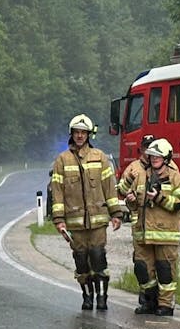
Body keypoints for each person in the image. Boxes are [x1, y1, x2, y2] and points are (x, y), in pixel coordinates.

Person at [48, 115, 126, 310]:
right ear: (72, 134)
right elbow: (57, 192)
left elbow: (110, 188)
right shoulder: (62, 160)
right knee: (81, 260)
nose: (80, 136)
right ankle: (87, 295)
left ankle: (102, 296)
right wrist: (59, 220)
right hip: (75, 223)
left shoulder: (100, 157)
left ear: (89, 135)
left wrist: (116, 213)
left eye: (83, 132)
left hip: (98, 221)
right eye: (77, 132)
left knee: (98, 256)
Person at [120, 138, 180, 316]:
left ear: (166, 157)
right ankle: (150, 301)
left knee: (165, 271)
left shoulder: (174, 176)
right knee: (142, 269)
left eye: (158, 156)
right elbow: (134, 203)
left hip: (166, 234)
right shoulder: (141, 175)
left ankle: (165, 305)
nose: (154, 158)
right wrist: (131, 202)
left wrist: (159, 198)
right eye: (152, 155)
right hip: (143, 233)